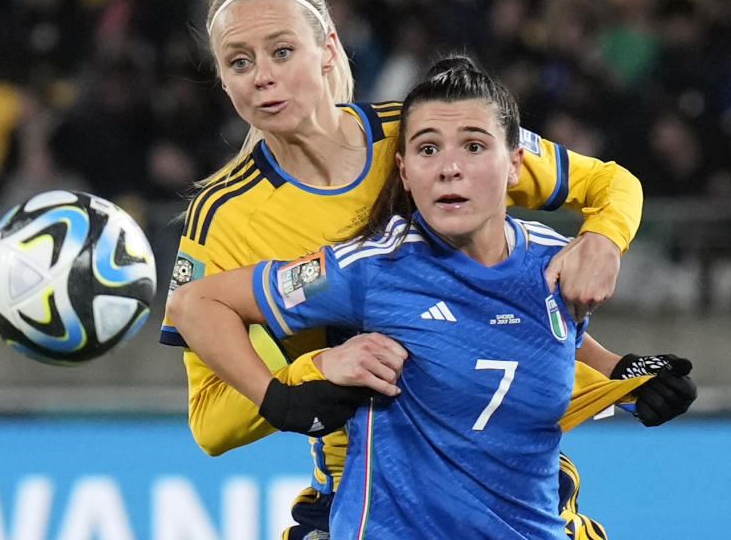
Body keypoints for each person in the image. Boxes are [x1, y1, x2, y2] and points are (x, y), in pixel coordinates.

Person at [159, 0, 696, 539]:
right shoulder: (224, 218)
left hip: (507, 471)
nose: (262, 75)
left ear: (330, 48)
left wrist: (602, 241)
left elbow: (599, 196)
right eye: (240, 62)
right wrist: (310, 375)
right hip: (370, 488)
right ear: (222, 79)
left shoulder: (431, 135)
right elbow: (210, 419)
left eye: (282, 51)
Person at [170, 55, 613, 537]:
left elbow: (542, 345)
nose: (449, 168)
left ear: (515, 165)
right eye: (428, 150)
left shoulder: (550, 265)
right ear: (402, 171)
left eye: (473, 146)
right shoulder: (366, 268)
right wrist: (288, 389)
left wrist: (632, 378)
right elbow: (192, 304)